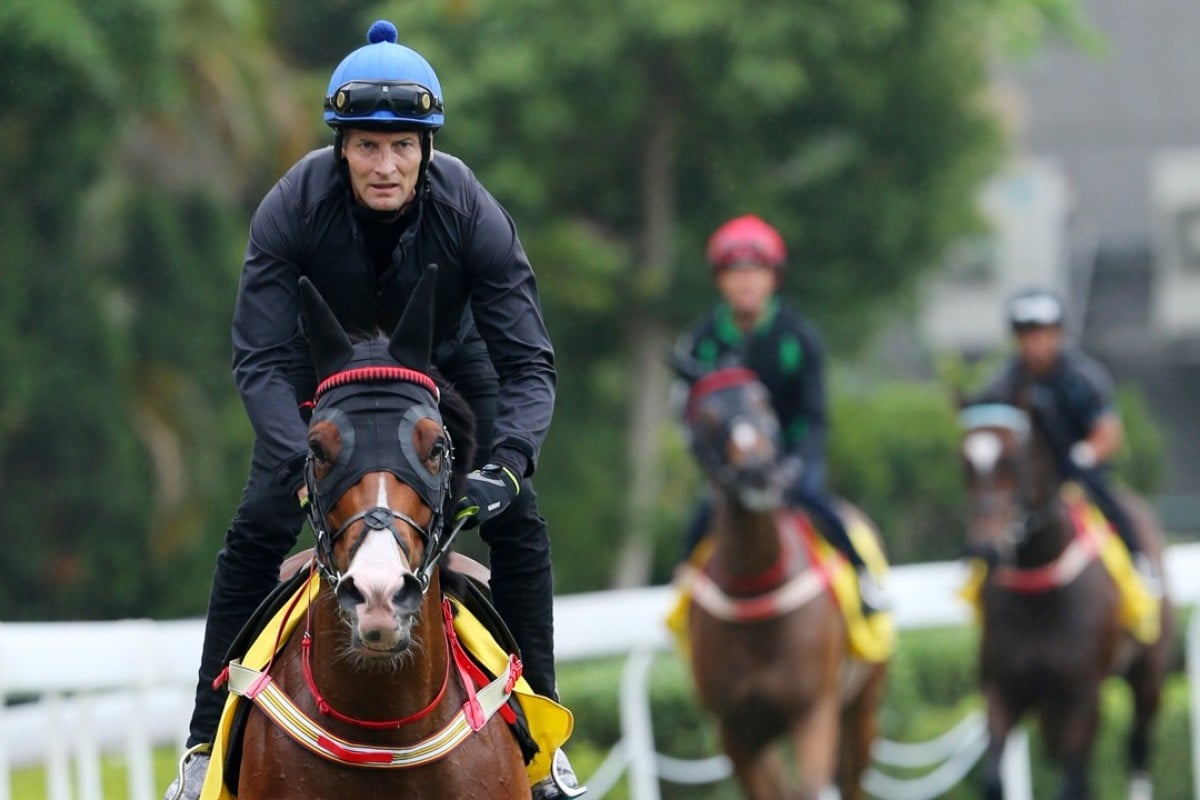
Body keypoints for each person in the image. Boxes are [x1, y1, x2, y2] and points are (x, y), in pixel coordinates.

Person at [165, 20, 584, 800]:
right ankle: (202, 743)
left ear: (428, 149)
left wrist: (509, 462)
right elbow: (259, 360)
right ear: (341, 148)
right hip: (321, 375)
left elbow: (528, 362)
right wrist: (294, 460)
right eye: (366, 146)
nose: (384, 166)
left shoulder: (471, 210)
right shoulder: (290, 207)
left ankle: (543, 744)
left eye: (402, 147)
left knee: (520, 517)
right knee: (259, 521)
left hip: (444, 370)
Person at [671, 214, 890, 616]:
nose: (746, 282)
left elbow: (814, 415)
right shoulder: (702, 341)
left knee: (813, 500)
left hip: (791, 456)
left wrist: (793, 466)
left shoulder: (798, 338)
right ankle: (683, 599)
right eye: (735, 272)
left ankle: (863, 579)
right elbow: (690, 414)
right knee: (702, 519)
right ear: (720, 280)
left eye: (756, 271)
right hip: (731, 464)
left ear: (774, 278)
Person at [974, 287, 1161, 594]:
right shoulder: (1003, 383)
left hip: (1077, 473)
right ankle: (978, 581)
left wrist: (1084, 454)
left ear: (1058, 333)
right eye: (1026, 334)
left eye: (1041, 332)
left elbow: (1109, 433)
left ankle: (1138, 561)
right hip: (1025, 479)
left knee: (1110, 503)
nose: (1034, 342)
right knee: (991, 515)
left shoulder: (1083, 377)